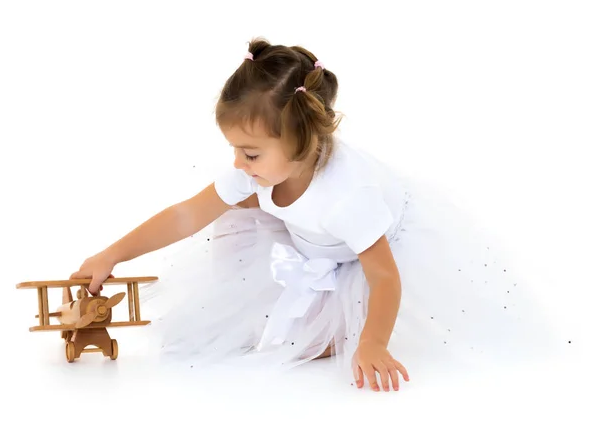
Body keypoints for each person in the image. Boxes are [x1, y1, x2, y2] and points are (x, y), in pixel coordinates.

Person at [70, 37, 548, 392]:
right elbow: (187, 215)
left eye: (251, 154)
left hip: (362, 248)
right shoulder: (257, 172)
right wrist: (114, 253)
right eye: (235, 150)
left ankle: (334, 330)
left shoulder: (346, 196)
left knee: (319, 340)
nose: (239, 163)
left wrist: (373, 342)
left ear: (302, 143)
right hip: (307, 236)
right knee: (232, 218)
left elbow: (384, 278)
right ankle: (297, 316)